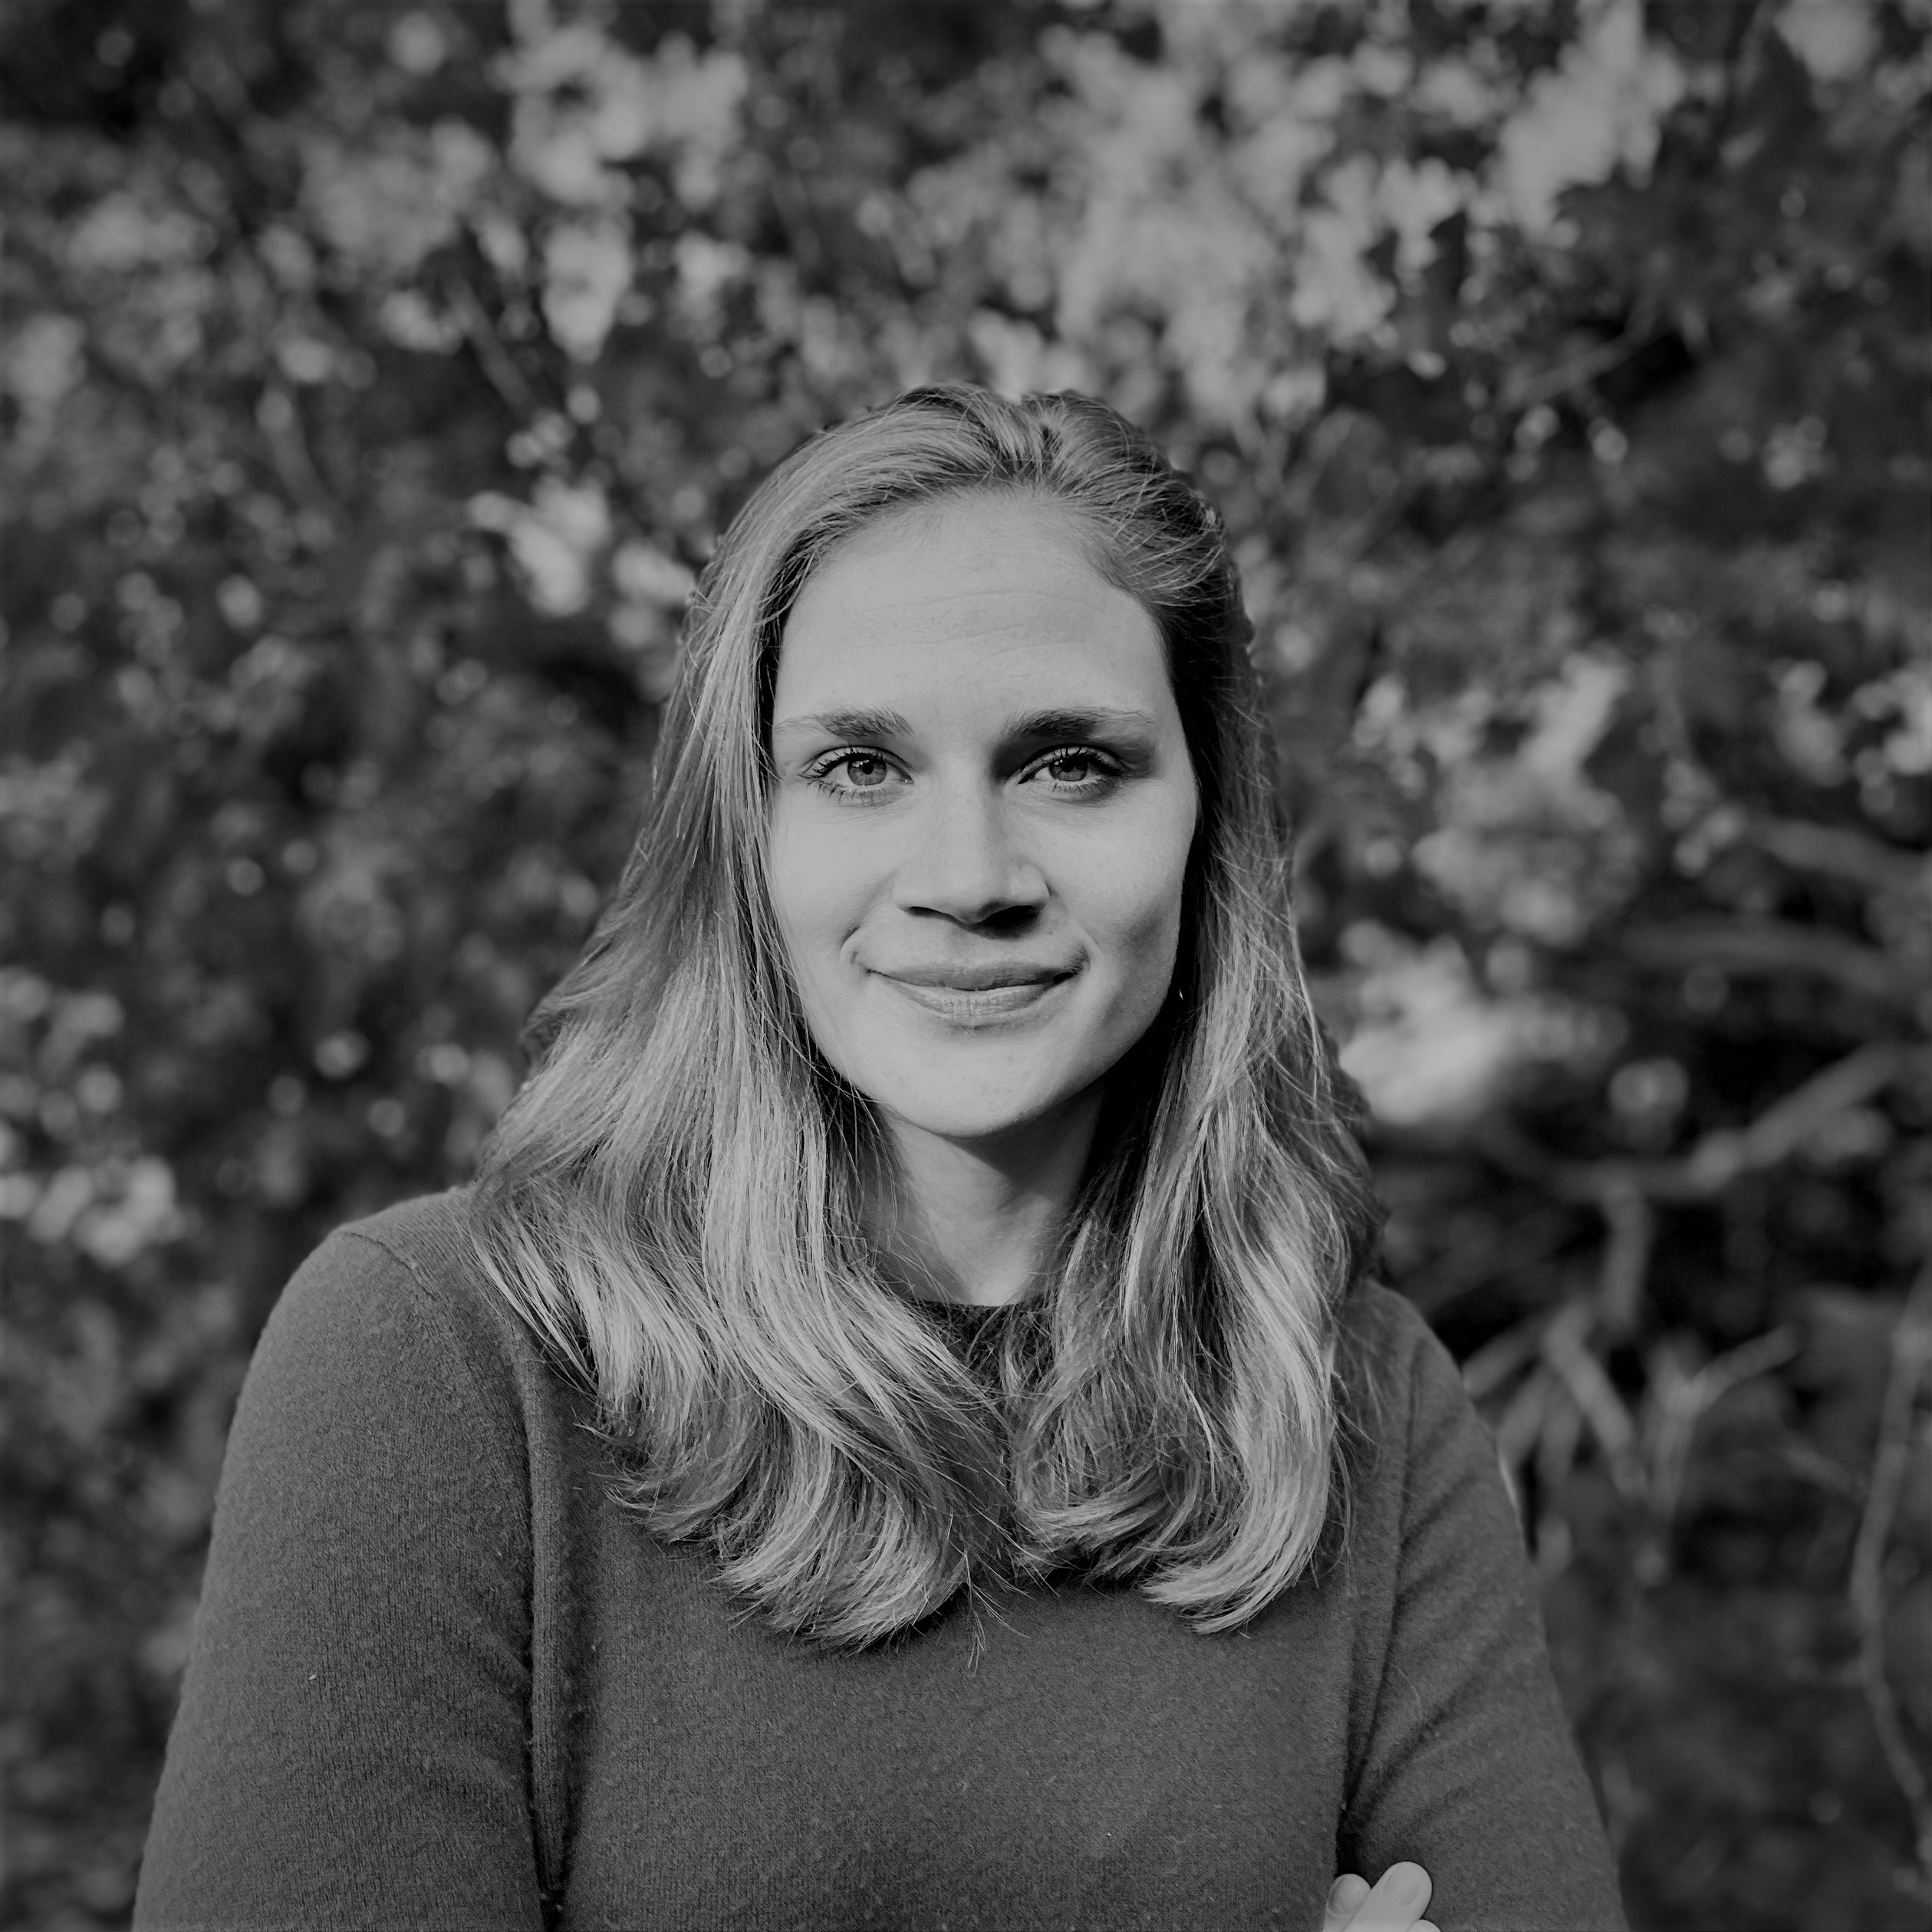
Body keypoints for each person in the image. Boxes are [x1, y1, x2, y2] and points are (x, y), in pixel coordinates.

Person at [133, 387, 1627, 1930]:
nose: (968, 877)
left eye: (1071, 763)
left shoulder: (1353, 1404)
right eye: (860, 767)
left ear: (1208, 819)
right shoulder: (438, 1361)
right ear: (748, 834)